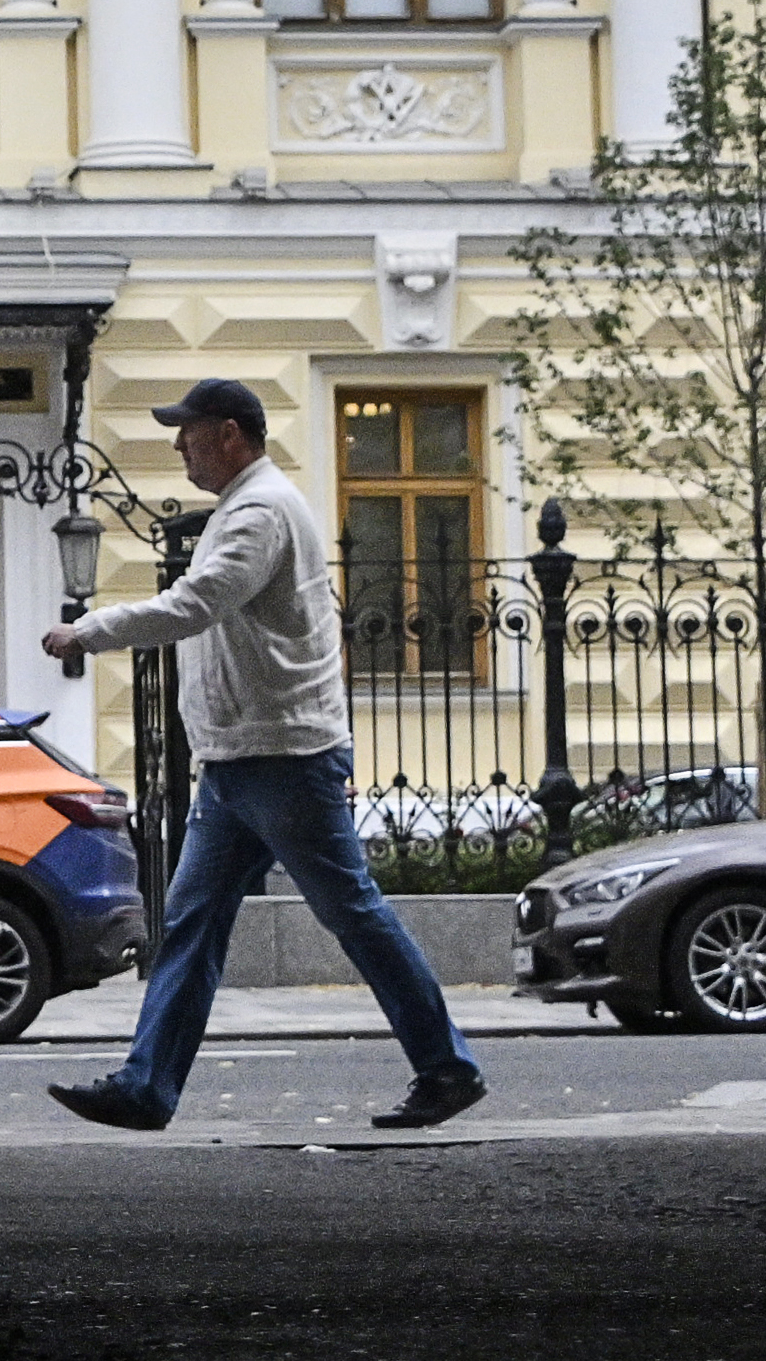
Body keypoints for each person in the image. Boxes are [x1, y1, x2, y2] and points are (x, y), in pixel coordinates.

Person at [40, 377, 487, 1133]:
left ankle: (447, 1067)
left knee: (351, 912)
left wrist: (89, 630)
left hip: (284, 756)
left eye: (187, 430)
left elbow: (196, 603)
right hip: (240, 759)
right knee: (190, 921)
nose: (178, 443)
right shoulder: (244, 509)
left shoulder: (260, 512)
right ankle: (146, 1086)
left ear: (228, 433)